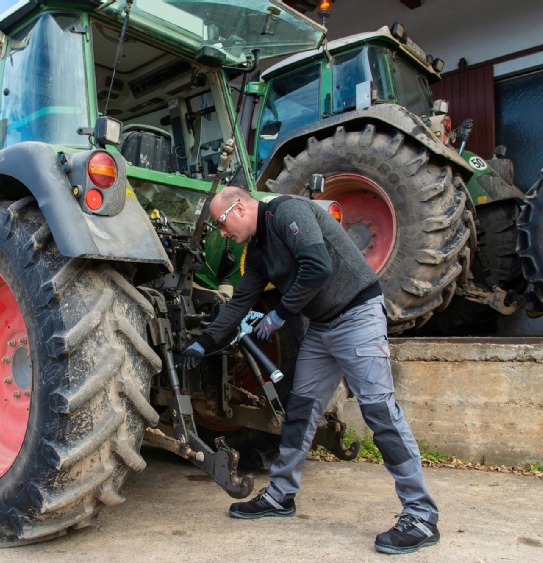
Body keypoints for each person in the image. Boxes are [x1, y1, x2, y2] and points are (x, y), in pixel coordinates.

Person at [180, 186, 440, 555]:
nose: (223, 234)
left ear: (238, 208)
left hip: (357, 316)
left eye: (222, 225)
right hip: (321, 327)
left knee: (380, 413)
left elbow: (318, 266)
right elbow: (239, 301)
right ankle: (281, 496)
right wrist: (202, 344)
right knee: (300, 411)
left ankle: (421, 514)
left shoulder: (288, 213)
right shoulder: (257, 251)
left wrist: (280, 314)